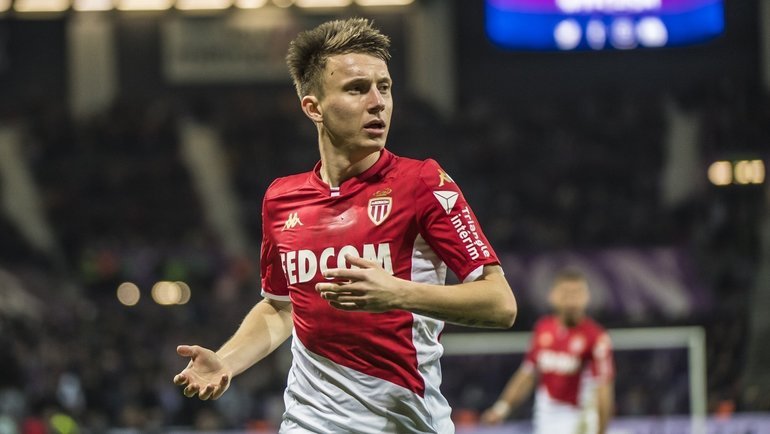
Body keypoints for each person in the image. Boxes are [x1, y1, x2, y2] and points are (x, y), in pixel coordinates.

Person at [173, 17, 517, 433]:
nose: (378, 102)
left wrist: (398, 293)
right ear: (313, 108)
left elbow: (500, 304)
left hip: (405, 424)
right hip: (307, 422)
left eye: (384, 87)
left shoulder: (422, 182)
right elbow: (281, 307)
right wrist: (226, 361)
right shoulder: (281, 199)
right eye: (357, 89)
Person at [481, 269, 614, 434]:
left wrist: (601, 431)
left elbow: (603, 388)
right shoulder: (543, 328)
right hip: (545, 420)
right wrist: (501, 409)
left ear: (587, 297)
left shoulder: (596, 337)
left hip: (579, 421)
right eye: (566, 293)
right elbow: (527, 374)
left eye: (577, 293)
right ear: (553, 296)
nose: (572, 299)